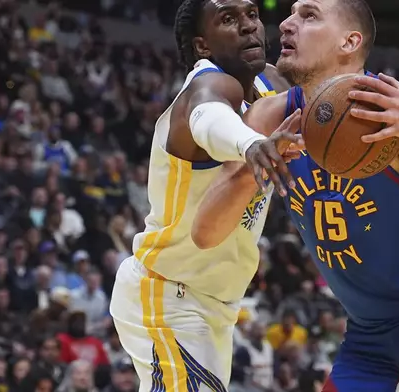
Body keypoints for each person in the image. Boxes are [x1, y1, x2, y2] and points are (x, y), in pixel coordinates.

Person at [191, 0, 399, 390]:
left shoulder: (392, 110)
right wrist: (257, 165)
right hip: (369, 331)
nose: (288, 24)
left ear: (350, 41)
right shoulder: (270, 118)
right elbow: (204, 234)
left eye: (309, 15)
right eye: (291, 13)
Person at [109, 0, 304, 390]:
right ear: (202, 45)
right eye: (228, 19)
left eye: (251, 14)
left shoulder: (270, 85)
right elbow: (208, 115)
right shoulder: (205, 85)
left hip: (214, 304)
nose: (249, 26)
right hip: (167, 295)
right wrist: (251, 144)